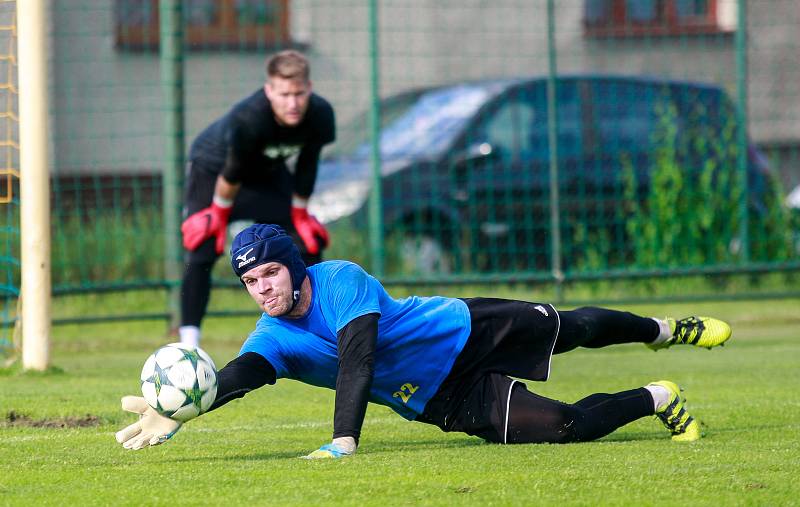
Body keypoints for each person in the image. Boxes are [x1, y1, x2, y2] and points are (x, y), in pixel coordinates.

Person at [116, 224, 733, 457]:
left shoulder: (341, 281)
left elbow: (358, 360)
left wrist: (342, 441)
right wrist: (184, 408)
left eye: (270, 272)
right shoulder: (272, 337)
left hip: (464, 331)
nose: (262, 288)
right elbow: (243, 374)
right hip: (438, 397)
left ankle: (664, 330)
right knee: (566, 427)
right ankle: (658, 397)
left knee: (577, 328)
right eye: (250, 281)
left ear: (295, 265)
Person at [178, 50, 334, 348]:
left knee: (306, 242)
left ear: (309, 89)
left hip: (266, 173)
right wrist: (218, 216)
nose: (293, 103)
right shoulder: (249, 118)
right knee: (202, 245)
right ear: (269, 91)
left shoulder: (320, 114)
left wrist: (300, 214)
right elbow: (232, 171)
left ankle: (324, 328)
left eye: (299, 94)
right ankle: (189, 344)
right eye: (284, 94)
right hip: (215, 170)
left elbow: (307, 163)